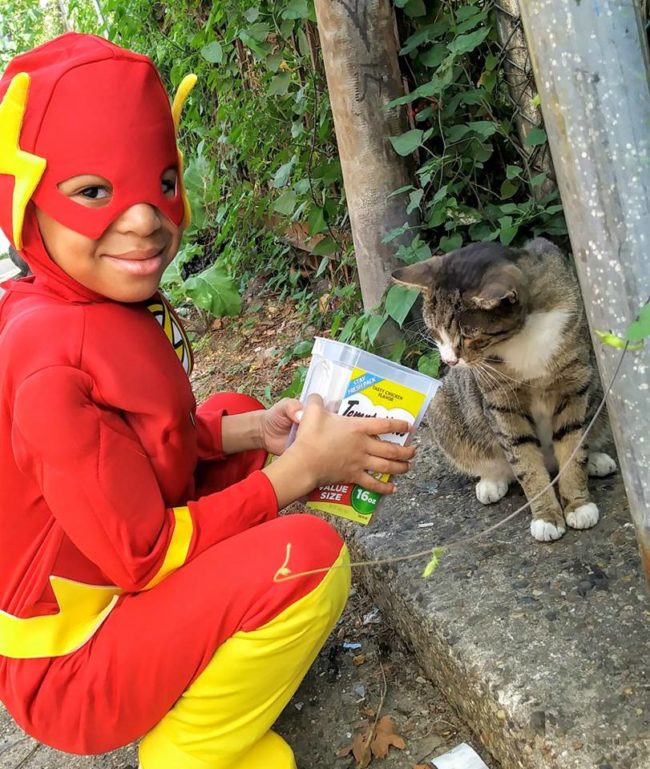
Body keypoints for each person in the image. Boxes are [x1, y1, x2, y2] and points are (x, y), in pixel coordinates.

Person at [0, 32, 415, 769]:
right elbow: (144, 556)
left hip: (103, 580)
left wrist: (258, 431)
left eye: (160, 182)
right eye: (93, 192)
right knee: (314, 560)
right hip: (75, 664)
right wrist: (289, 477)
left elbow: (145, 437)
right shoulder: (48, 365)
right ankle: (191, 752)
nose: (142, 219)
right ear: (26, 198)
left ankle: (204, 650)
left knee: (234, 414)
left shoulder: (67, 296)